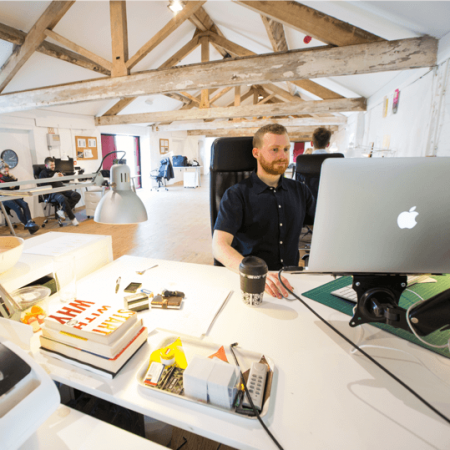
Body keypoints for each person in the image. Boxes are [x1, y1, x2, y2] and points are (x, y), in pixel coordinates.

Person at [212, 124, 315, 298]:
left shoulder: (301, 191)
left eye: (286, 149)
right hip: (251, 282)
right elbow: (219, 246)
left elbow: (320, 228)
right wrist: (254, 273)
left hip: (290, 281)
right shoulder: (237, 194)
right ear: (256, 153)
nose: (283, 156)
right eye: (274, 149)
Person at [39, 157, 81, 226]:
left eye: (54, 164)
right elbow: (43, 186)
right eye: (51, 165)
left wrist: (63, 177)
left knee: (76, 195)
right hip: (52, 193)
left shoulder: (56, 171)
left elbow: (66, 181)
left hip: (62, 189)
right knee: (63, 198)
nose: (53, 166)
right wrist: (53, 178)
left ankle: (62, 211)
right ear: (46, 165)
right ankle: (73, 219)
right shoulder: (42, 174)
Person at [0, 164, 39, 234]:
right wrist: (9, 187)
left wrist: (14, 179)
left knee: (25, 204)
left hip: (13, 195)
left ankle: (29, 222)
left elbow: (17, 188)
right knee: (17, 207)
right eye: (4, 171)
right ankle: (28, 225)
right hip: (4, 198)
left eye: (7, 170)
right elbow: (1, 190)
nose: (6, 172)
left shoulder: (10, 177)